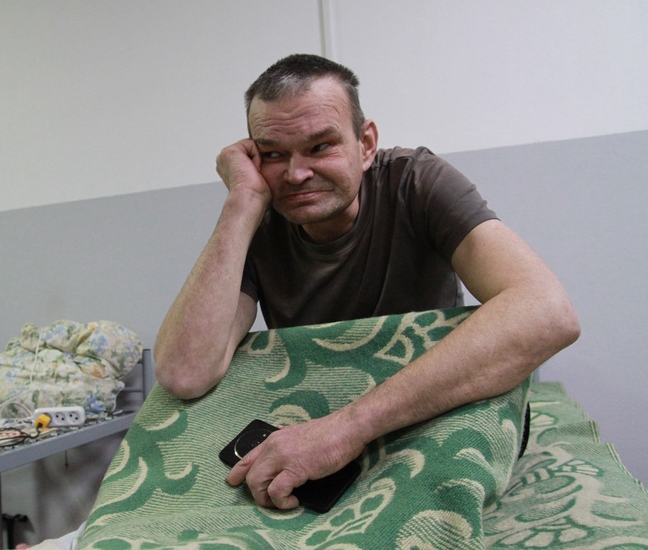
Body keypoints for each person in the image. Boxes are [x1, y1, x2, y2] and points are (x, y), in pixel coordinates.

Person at [154, 53, 580, 511]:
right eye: (274, 154)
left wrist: (344, 430)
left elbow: (547, 312)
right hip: (317, 410)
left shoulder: (415, 182)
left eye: (321, 146)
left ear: (366, 143)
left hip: (422, 405)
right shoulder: (259, 216)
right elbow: (185, 373)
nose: (296, 174)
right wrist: (241, 201)